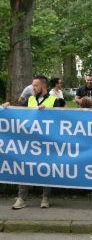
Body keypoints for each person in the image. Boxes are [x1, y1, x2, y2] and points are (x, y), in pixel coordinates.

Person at [10, 75, 60, 209]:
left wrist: (48, 112)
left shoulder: (55, 101)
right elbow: (19, 114)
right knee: (24, 167)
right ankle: (21, 198)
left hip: (47, 142)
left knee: (47, 169)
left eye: (35, 85)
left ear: (43, 86)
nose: (33, 88)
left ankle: (45, 197)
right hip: (30, 143)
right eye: (33, 85)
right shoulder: (30, 99)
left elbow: (61, 120)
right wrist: (7, 109)